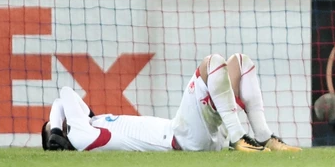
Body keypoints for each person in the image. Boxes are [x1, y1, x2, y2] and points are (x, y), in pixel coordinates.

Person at [41, 53, 301, 152]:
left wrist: (54, 127)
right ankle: (238, 138)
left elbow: (62, 103)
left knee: (240, 63)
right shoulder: (81, 138)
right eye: (57, 126)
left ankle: (264, 138)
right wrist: (55, 132)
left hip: (194, 136)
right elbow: (65, 94)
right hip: (181, 138)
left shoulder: (91, 123)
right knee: (211, 63)